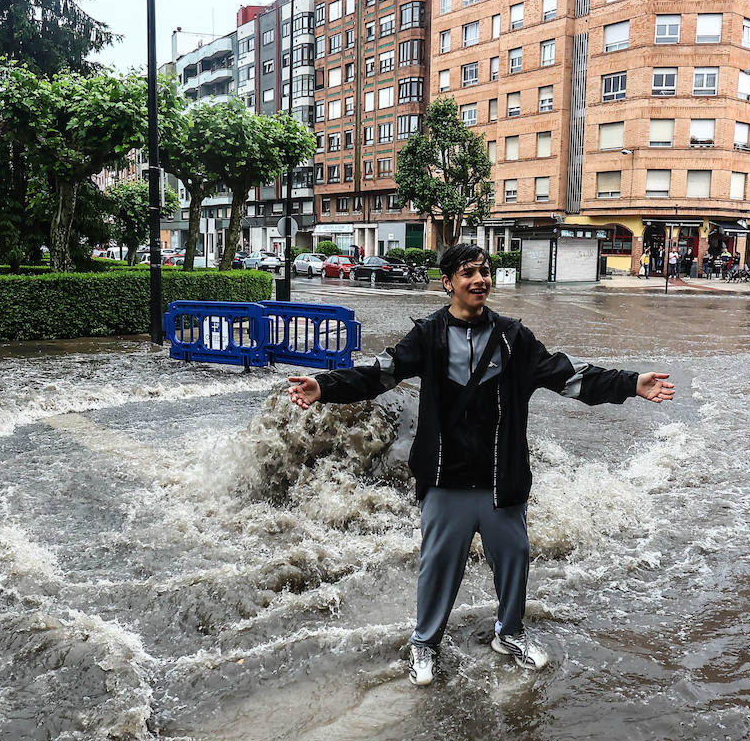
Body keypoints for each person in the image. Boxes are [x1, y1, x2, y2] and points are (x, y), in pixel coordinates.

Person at [286, 244, 675, 686]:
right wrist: (325, 386)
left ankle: (509, 634)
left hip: (499, 478)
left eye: (484, 271)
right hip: (444, 478)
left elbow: (567, 377)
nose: (479, 280)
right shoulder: (428, 335)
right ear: (448, 281)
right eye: (468, 272)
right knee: (438, 565)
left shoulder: (513, 337)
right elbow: (380, 374)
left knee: (515, 558)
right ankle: (424, 643)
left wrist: (629, 384)